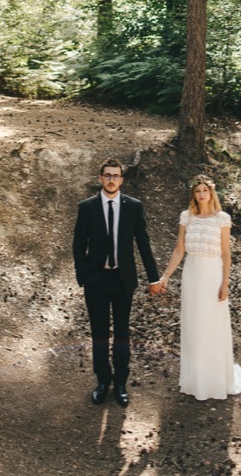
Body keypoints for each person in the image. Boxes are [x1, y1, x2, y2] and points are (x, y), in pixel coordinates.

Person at [72, 157, 162, 407]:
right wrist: (83, 275)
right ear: (100, 178)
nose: (111, 180)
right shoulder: (87, 207)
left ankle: (121, 383)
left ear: (122, 180)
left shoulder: (133, 206)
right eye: (107, 175)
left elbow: (143, 243)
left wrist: (153, 277)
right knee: (99, 332)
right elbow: (78, 244)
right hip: (97, 279)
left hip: (123, 279)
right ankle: (103, 382)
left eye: (116, 176)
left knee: (122, 331)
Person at [159, 175, 241, 400]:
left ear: (211, 193)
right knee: (194, 324)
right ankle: (195, 380)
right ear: (193, 194)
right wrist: (166, 276)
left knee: (212, 324)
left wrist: (225, 282)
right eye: (197, 191)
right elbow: (179, 250)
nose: (201, 194)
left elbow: (226, 253)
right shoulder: (187, 217)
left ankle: (216, 380)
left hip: (213, 274)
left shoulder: (222, 219)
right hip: (192, 273)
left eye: (204, 190)